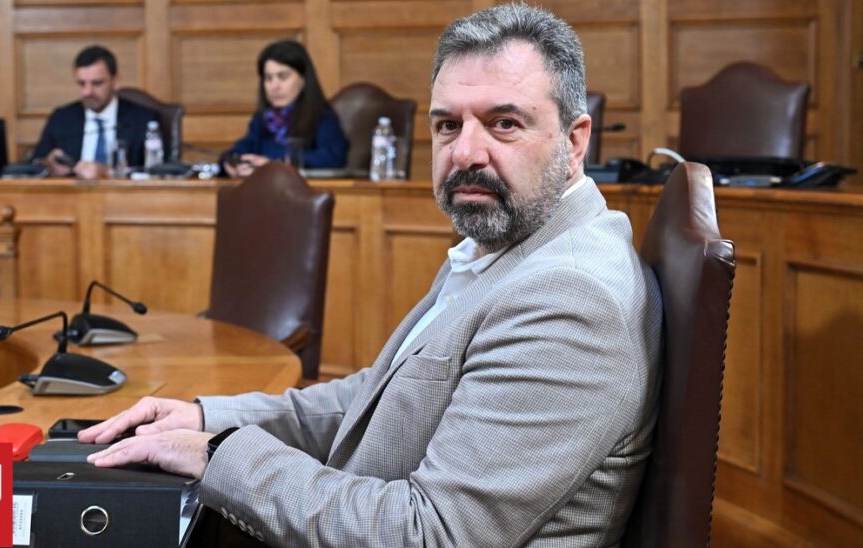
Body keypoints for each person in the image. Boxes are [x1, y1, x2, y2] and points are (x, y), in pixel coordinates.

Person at [81, 4, 662, 546]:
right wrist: (207, 418)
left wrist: (219, 454)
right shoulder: (512, 245)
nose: (465, 152)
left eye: (504, 123)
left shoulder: (568, 298)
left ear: (575, 142)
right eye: (447, 125)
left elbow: (429, 534)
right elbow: (383, 399)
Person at [220, 40, 348, 178]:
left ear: (303, 80)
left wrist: (276, 164)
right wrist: (232, 162)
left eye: (283, 77)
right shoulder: (262, 118)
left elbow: (333, 158)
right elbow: (241, 149)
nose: (274, 86)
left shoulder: (322, 116)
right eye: (268, 78)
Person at [31, 45, 158, 180]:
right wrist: (48, 164)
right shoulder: (61, 118)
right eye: (82, 84)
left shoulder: (143, 120)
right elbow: (33, 165)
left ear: (115, 81)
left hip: (124, 193)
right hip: (72, 192)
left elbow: (157, 172)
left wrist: (108, 172)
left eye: (97, 83)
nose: (87, 92)